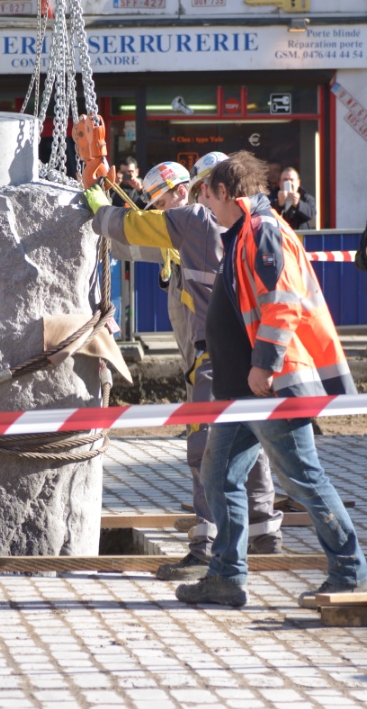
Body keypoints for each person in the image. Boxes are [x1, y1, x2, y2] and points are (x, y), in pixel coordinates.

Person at [176, 151, 367, 608]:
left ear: (226, 192)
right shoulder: (245, 230)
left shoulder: (262, 231)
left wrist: (264, 363)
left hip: (269, 386)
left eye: (207, 192)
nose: (203, 201)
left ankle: (348, 572)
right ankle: (225, 576)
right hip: (243, 391)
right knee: (218, 477)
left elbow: (283, 301)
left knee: (302, 478)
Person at [85, 155, 282, 582]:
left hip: (214, 359)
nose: (159, 211)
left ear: (186, 190)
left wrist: (94, 197)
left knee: (204, 450)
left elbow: (128, 231)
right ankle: (264, 533)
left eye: (162, 202)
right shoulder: (237, 225)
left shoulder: (191, 220)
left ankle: (206, 544)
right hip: (246, 355)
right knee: (252, 439)